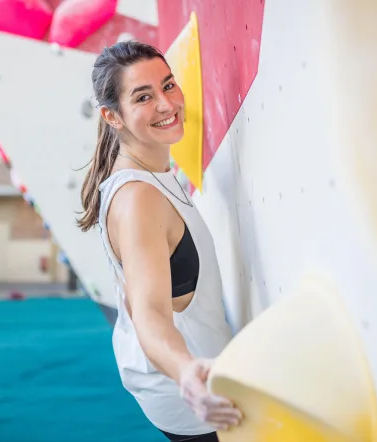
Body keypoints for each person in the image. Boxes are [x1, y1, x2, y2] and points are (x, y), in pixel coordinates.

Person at [77, 41, 243, 441]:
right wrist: (186, 370)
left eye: (168, 85)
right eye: (143, 97)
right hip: (187, 392)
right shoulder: (138, 200)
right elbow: (148, 312)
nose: (167, 104)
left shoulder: (151, 174)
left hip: (185, 376)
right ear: (111, 116)